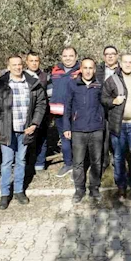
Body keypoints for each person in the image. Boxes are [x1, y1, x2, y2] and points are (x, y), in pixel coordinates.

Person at [0, 56, 48, 209]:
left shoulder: (32, 83)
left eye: (19, 64)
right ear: (8, 66)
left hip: (25, 130)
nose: (17, 67)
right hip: (6, 130)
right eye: (14, 65)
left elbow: (41, 103)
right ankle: (5, 194)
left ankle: (19, 191)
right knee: (7, 162)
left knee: (21, 161)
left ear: (23, 65)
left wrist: (34, 123)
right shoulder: (1, 83)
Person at [101, 54, 131, 201]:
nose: (128, 64)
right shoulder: (112, 79)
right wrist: (113, 100)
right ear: (120, 63)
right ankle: (121, 187)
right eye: (125, 62)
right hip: (118, 125)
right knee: (119, 157)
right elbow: (103, 98)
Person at [63, 58, 105, 203]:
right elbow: (67, 107)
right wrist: (67, 127)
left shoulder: (99, 85)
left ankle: (94, 188)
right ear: (81, 69)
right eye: (85, 68)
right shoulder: (72, 84)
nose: (88, 71)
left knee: (96, 161)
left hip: (96, 129)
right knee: (78, 162)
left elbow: (103, 105)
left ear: (94, 70)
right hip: (78, 130)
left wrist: (101, 121)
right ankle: (79, 189)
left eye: (90, 68)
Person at [49, 46, 80, 178]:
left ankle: (78, 166)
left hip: (75, 113)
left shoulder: (80, 71)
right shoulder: (55, 71)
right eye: (65, 56)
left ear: (76, 57)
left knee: (77, 139)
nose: (68, 58)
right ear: (61, 57)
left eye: (71, 55)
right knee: (64, 138)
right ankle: (68, 164)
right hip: (59, 112)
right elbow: (50, 88)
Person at [24, 51, 50, 172]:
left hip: (42, 113)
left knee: (42, 138)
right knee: (27, 139)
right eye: (31, 61)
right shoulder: (22, 75)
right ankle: (27, 163)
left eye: (36, 61)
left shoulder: (45, 76)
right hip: (26, 114)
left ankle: (40, 163)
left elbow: (49, 94)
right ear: (27, 62)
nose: (34, 63)